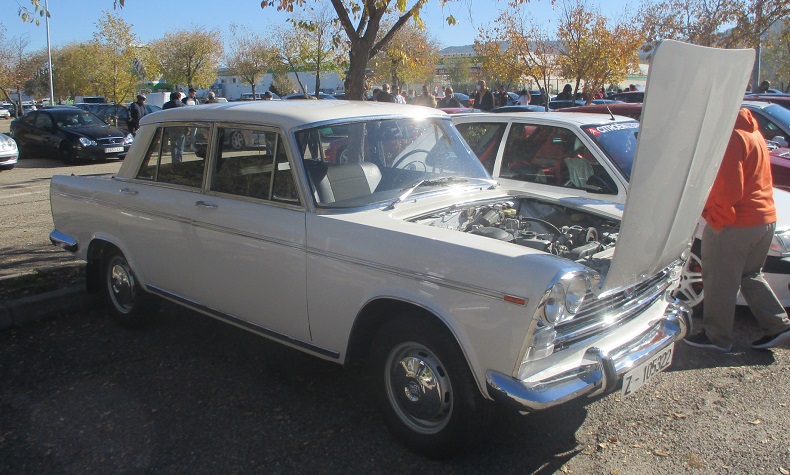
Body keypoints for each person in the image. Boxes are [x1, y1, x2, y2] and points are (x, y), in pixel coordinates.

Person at [684, 108, 790, 352]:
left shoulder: (730, 136)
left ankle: (716, 337)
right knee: (749, 275)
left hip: (736, 224)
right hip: (764, 219)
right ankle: (778, 324)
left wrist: (709, 212)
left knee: (720, 281)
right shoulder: (753, 132)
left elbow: (730, 189)